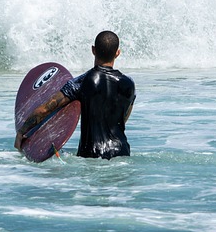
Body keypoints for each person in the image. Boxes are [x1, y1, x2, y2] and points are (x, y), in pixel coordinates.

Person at [14, 31, 136, 159]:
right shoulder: (129, 84)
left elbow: (45, 109)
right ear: (117, 53)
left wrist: (21, 132)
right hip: (122, 153)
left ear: (93, 50)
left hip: (92, 155)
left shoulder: (82, 82)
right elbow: (122, 120)